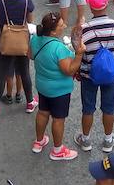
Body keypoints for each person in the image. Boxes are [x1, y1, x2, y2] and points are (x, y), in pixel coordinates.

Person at [76, 0, 114, 153]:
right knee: (108, 108)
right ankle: (107, 140)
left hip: (88, 75)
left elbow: (77, 50)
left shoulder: (84, 29)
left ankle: (85, 140)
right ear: (106, 4)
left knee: (88, 108)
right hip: (110, 76)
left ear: (91, 8)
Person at [30, 12, 84, 160]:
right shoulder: (58, 48)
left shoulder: (35, 39)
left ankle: (39, 141)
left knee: (42, 112)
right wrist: (79, 54)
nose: (64, 26)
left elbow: (30, 55)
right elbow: (69, 70)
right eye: (61, 25)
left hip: (42, 85)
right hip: (59, 90)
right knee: (58, 119)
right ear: (53, 31)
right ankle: (58, 150)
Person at [0, 0, 35, 115]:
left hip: (3, 41)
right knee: (24, 72)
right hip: (22, 41)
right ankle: (29, 103)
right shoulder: (27, 2)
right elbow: (30, 21)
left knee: (2, 73)